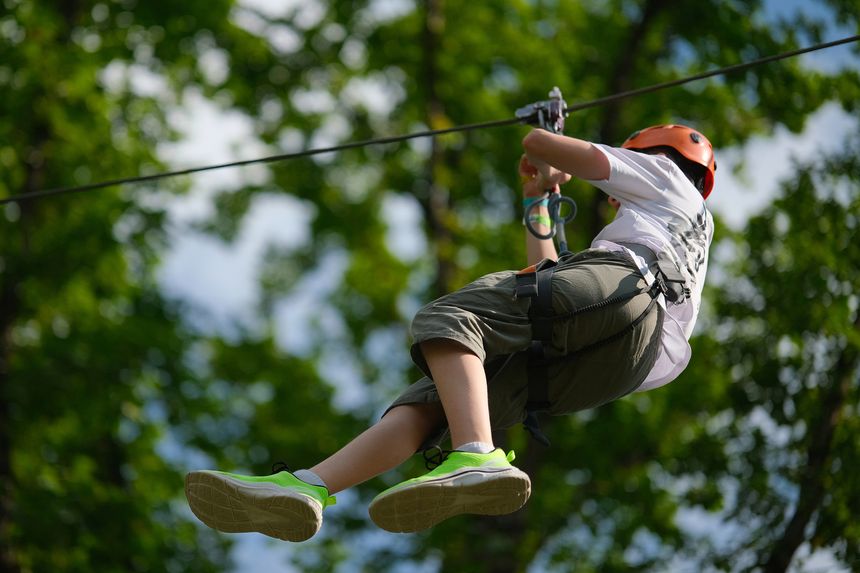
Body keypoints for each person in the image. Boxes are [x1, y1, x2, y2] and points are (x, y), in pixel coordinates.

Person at [184, 123, 716, 542]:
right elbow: (549, 279)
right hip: (629, 360)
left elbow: (538, 142)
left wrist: (547, 146)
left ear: (654, 153)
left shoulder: (661, 176)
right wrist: (539, 201)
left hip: (628, 293)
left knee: (451, 319)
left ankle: (476, 455)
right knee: (441, 397)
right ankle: (310, 486)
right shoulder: (671, 230)